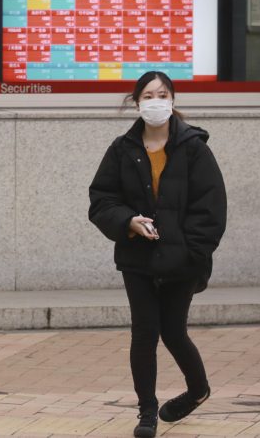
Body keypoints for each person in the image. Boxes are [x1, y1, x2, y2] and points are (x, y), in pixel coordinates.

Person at [89, 71, 226, 438]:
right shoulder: (122, 149)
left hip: (182, 260)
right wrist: (127, 222)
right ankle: (146, 412)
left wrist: (192, 253)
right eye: (147, 95)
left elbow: (211, 209)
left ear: (173, 100)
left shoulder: (194, 148)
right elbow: (102, 200)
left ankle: (198, 390)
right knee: (144, 333)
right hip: (137, 258)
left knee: (174, 332)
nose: (155, 101)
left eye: (162, 94)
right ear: (136, 103)